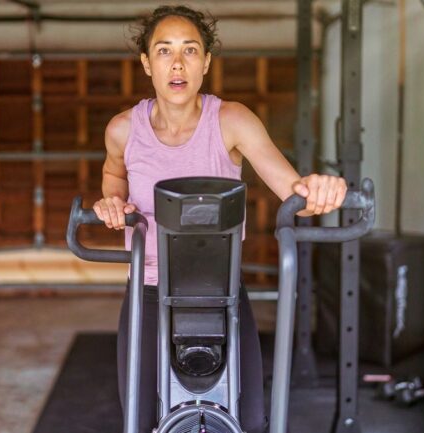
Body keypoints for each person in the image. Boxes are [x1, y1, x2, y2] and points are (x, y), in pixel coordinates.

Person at [92, 5, 348, 432]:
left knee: (246, 420)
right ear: (146, 64)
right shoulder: (122, 129)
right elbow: (114, 172)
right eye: (164, 51)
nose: (177, 64)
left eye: (190, 51)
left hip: (221, 291)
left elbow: (294, 192)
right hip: (148, 292)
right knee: (139, 420)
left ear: (206, 62)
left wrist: (323, 189)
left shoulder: (231, 120)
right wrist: (112, 201)